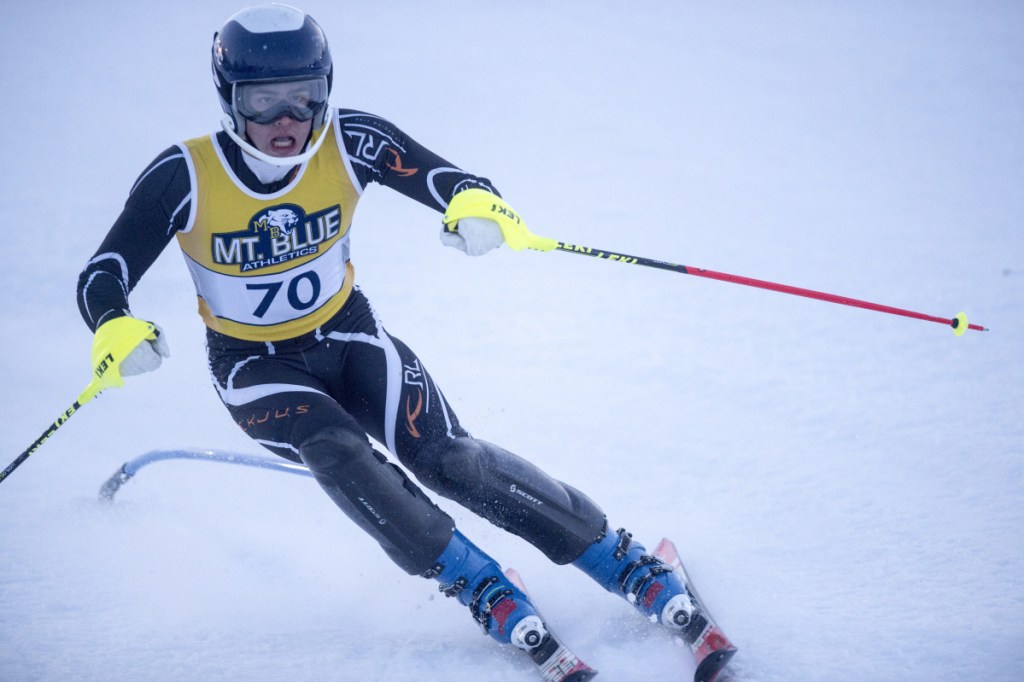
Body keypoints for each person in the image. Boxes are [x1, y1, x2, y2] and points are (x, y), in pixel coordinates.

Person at [77, 3, 697, 667]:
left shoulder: (351, 140)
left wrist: (474, 205)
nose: (287, 122)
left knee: (448, 460)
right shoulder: (186, 174)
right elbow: (103, 275)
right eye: (263, 102)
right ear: (230, 101)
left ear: (326, 89)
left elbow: (450, 180)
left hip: (350, 336)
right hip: (254, 369)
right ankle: (476, 583)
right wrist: (114, 326)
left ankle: (621, 561)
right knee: (336, 447)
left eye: (304, 98)